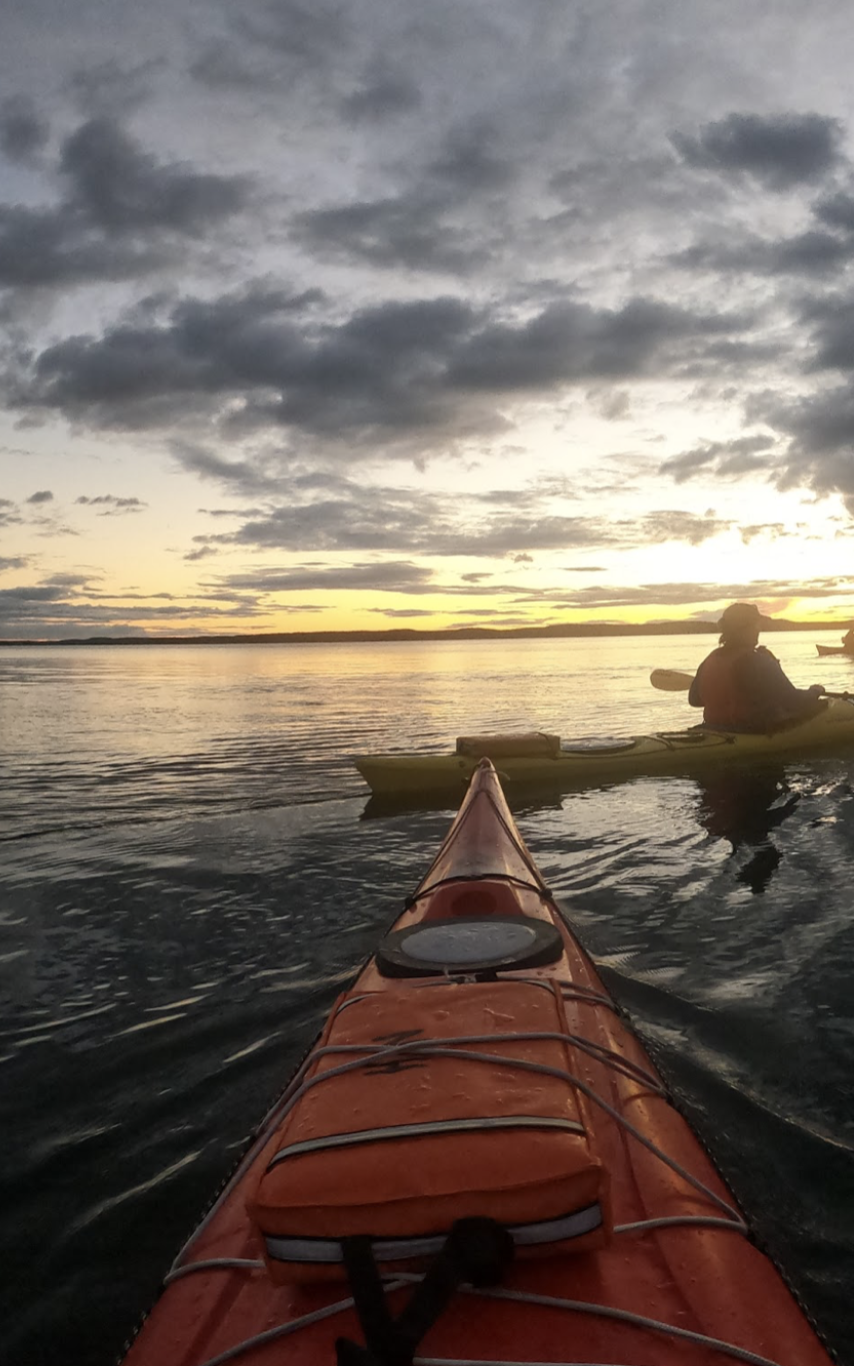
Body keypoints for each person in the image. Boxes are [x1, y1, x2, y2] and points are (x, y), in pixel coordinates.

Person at [689, 602, 825, 732]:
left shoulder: (710, 659)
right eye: (756, 625)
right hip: (752, 731)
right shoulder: (758, 660)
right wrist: (815, 691)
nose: (759, 629)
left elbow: (694, 700)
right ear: (747, 628)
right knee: (823, 706)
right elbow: (794, 701)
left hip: (713, 728)